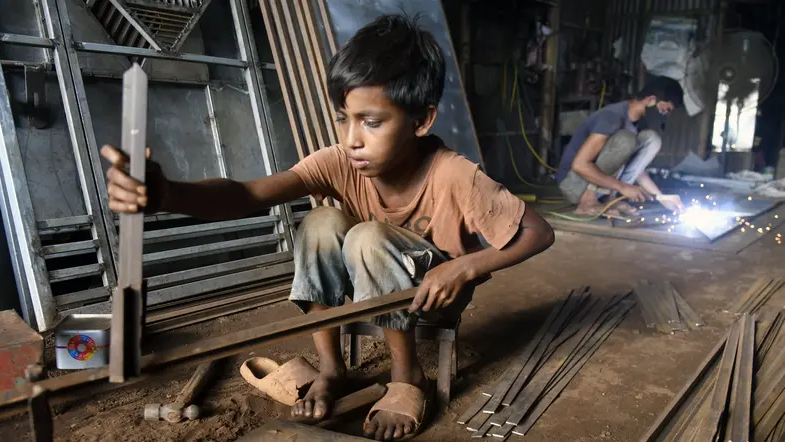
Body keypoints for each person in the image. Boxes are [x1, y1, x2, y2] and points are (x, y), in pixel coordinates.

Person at [101, 14, 555, 441]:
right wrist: (167, 195)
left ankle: (407, 374)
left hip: (432, 298)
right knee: (320, 221)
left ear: (422, 120)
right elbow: (248, 194)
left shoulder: (454, 174)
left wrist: (466, 267)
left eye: (371, 122)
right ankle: (331, 367)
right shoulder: (341, 162)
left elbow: (539, 232)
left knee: (367, 234)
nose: (352, 138)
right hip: (368, 287)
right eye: (345, 118)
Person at [555, 76, 686, 216]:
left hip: (600, 184)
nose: (663, 116)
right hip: (573, 184)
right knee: (626, 139)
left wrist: (661, 198)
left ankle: (610, 199)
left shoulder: (638, 125)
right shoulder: (611, 117)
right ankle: (587, 202)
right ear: (650, 100)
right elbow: (579, 165)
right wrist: (622, 187)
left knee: (652, 139)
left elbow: (636, 169)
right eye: (664, 110)